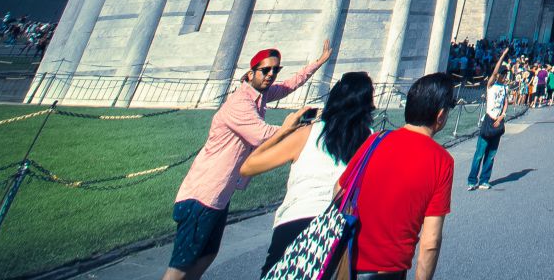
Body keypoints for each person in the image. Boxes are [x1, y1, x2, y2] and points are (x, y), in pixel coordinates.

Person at [163, 41, 331, 280]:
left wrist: (319, 62)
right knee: (181, 266)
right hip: (203, 194)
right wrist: (298, 126)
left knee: (207, 255)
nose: (271, 75)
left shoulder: (259, 96)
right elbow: (261, 135)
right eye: (266, 70)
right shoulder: (240, 103)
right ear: (251, 73)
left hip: (220, 195)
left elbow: (287, 87)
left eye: (276, 70)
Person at [240, 71, 374, 274]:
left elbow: (249, 166)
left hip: (295, 221)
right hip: (339, 228)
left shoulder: (307, 134)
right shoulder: (372, 141)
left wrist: (285, 130)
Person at [336, 72, 455, 280]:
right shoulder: (442, 161)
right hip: (387, 270)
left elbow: (339, 191)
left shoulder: (376, 139)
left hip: (346, 260)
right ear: (441, 115)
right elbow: (431, 241)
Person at [467, 48, 510, 190]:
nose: (504, 76)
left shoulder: (505, 88)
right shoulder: (491, 85)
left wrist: (502, 116)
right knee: (479, 153)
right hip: (488, 120)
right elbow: (494, 72)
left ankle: (484, 180)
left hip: (498, 121)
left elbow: (505, 104)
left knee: (491, 154)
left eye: (505, 74)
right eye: (503, 74)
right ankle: (472, 180)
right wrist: (503, 55)